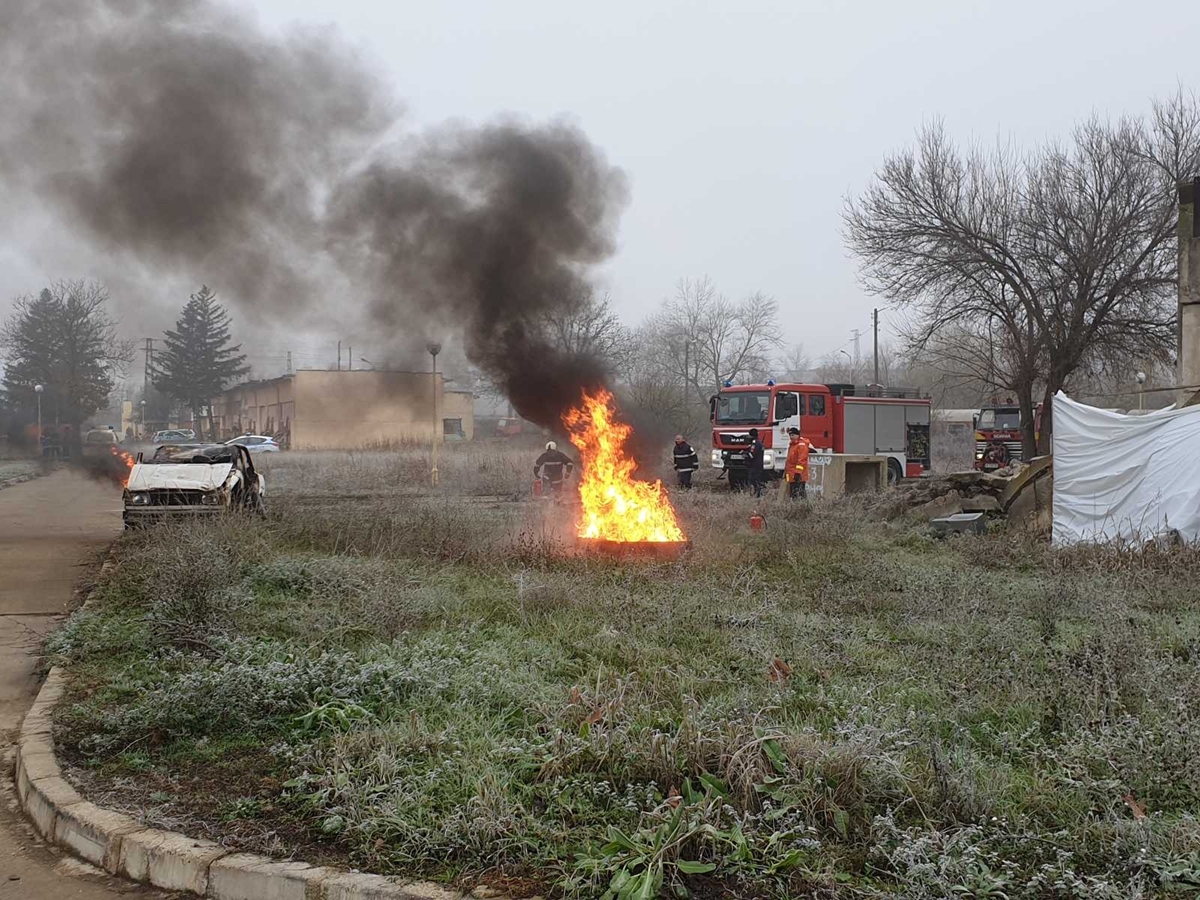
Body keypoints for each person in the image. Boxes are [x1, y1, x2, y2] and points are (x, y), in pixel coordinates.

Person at [784, 427, 813, 499]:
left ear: (797, 435)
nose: (791, 437)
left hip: (798, 476)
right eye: (790, 435)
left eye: (792, 435)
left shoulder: (801, 445)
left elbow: (802, 460)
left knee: (799, 494)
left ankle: (800, 508)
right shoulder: (792, 445)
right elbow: (789, 461)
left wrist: (798, 473)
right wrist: (786, 473)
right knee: (793, 494)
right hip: (791, 475)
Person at [747, 428, 765, 498]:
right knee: (757, 480)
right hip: (759, 465)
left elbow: (751, 455)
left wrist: (744, 454)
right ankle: (758, 494)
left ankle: (757, 495)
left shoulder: (755, 443)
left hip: (754, 466)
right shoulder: (759, 443)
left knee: (754, 481)